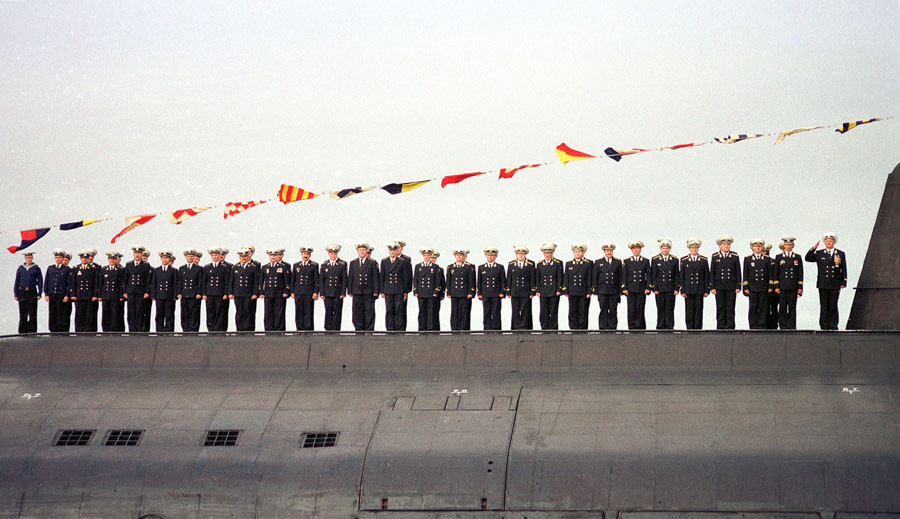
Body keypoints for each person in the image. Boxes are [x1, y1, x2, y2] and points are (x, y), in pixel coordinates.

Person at [805, 232, 847, 330]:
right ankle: (824, 326)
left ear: (834, 242)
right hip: (823, 283)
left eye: (830, 241)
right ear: (824, 242)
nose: (829, 243)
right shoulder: (819, 253)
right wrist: (813, 248)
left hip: (835, 283)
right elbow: (808, 258)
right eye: (827, 241)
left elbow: (844, 268)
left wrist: (843, 282)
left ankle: (833, 326)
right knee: (824, 305)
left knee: (833, 305)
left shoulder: (840, 253)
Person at [710, 235, 741, 329]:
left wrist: (738, 286)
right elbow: (712, 272)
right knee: (720, 307)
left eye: (728, 244)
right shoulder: (715, 257)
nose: (727, 246)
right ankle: (720, 326)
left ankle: (730, 326)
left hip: (731, 286)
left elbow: (738, 272)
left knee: (730, 307)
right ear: (720, 246)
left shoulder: (734, 256)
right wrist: (712, 287)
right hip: (719, 286)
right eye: (724, 244)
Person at [348, 243, 380, 331]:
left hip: (369, 291)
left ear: (366, 251)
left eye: (363, 250)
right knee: (357, 312)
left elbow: (375, 278)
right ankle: (358, 329)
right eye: (360, 250)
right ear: (357, 251)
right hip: (357, 291)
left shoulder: (372, 262)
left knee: (369, 311)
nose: (362, 252)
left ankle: (369, 329)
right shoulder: (353, 263)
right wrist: (350, 290)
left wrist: (376, 291)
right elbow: (350, 277)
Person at [680, 238, 710, 330]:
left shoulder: (703, 260)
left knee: (698, 310)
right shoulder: (684, 260)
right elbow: (682, 276)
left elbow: (706, 276)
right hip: (688, 290)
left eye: (696, 248)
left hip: (699, 289)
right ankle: (689, 328)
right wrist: (682, 290)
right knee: (689, 310)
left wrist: (706, 290)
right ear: (689, 248)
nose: (694, 250)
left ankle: (698, 328)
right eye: (692, 248)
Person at [380, 242, 410, 331]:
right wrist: (382, 291)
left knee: (399, 310)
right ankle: (390, 329)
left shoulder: (402, 261)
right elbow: (382, 276)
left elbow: (405, 277)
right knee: (389, 310)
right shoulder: (384, 261)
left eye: (394, 250)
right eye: (391, 250)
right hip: (388, 289)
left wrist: (405, 292)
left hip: (399, 289)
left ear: (397, 251)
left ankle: (399, 329)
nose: (392, 252)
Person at [774, 237, 803, 329]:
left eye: (790, 245)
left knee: (792, 307)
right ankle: (783, 326)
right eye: (787, 245)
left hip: (793, 286)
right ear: (784, 246)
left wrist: (800, 287)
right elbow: (776, 272)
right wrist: (776, 286)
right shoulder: (779, 257)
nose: (788, 246)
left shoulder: (797, 257)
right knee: (782, 307)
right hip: (782, 286)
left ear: (793, 245)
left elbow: (800, 273)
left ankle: (791, 326)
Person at [650, 239, 679, 330]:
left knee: (670, 308)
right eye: (663, 248)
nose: (665, 250)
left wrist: (676, 288)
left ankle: (670, 326)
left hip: (670, 288)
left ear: (669, 249)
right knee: (660, 308)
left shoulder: (674, 260)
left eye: (667, 248)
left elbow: (676, 275)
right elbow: (653, 275)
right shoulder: (655, 260)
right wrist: (654, 288)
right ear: (660, 249)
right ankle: (660, 325)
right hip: (660, 288)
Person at [230, 246, 261, 331]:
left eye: (245, 256)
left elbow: (256, 281)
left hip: (249, 294)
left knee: (248, 312)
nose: (243, 258)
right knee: (239, 312)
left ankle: (249, 330)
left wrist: (255, 293)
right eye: (241, 256)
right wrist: (231, 293)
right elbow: (232, 281)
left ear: (248, 257)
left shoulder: (253, 267)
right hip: (238, 293)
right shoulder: (235, 267)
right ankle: (239, 329)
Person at [260, 248, 291, 331]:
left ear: (278, 256)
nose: (273, 257)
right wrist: (261, 292)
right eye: (271, 255)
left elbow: (287, 281)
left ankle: (279, 330)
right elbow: (261, 281)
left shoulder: (283, 267)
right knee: (268, 312)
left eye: (274, 255)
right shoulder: (264, 267)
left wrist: (286, 291)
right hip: (268, 293)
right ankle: (268, 329)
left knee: (279, 313)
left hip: (279, 293)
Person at [68, 250, 100, 332]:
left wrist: (95, 295)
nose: (84, 260)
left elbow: (95, 283)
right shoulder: (75, 269)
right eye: (83, 258)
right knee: (79, 313)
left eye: (86, 258)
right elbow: (73, 283)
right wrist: (73, 294)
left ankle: (87, 329)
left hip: (89, 295)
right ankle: (79, 329)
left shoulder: (93, 269)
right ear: (80, 258)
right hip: (79, 295)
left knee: (88, 314)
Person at [743, 238, 771, 329]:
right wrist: (746, 287)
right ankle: (753, 326)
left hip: (763, 287)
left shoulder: (766, 259)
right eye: (756, 246)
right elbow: (745, 274)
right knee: (753, 308)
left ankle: (762, 326)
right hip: (752, 287)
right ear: (752, 248)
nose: (758, 248)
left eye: (760, 246)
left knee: (763, 308)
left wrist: (770, 286)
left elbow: (770, 274)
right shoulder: (748, 259)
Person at [506, 246, 536, 330]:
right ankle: (515, 327)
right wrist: (508, 291)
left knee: (525, 310)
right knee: (515, 310)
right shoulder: (511, 264)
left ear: (525, 255)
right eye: (519, 254)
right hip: (515, 291)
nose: (521, 256)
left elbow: (532, 279)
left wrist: (532, 292)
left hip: (526, 292)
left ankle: (524, 327)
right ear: (516, 255)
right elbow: (509, 278)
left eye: (522, 254)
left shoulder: (530, 264)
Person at [446, 248, 476, 330]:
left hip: (465, 293)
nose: (458, 257)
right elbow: (448, 280)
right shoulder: (451, 267)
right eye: (457, 255)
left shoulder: (469, 267)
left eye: (460, 255)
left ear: (464, 256)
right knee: (454, 312)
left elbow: (471, 280)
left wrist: (471, 292)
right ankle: (454, 329)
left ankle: (464, 329)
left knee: (464, 312)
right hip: (454, 292)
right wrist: (448, 292)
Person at [124, 245, 153, 332]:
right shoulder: (128, 265)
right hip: (131, 292)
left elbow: (148, 280)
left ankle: (139, 329)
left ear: (141, 254)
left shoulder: (145, 265)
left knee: (140, 311)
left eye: (139, 253)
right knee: (131, 312)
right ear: (133, 254)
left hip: (141, 292)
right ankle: (132, 329)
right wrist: (125, 291)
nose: (137, 255)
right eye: (136, 253)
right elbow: (126, 279)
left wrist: (147, 292)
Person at [594, 243, 623, 330]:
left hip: (614, 290)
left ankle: (612, 327)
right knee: (603, 309)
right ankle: (602, 327)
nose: (609, 252)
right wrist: (595, 290)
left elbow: (620, 277)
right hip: (602, 290)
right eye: (607, 250)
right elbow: (595, 277)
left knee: (613, 310)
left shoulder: (617, 262)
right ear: (604, 251)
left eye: (610, 250)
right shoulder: (598, 262)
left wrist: (620, 290)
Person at [564, 243, 592, 330]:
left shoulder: (588, 263)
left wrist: (589, 291)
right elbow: (566, 278)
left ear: (583, 253)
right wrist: (566, 290)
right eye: (575, 251)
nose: (577, 253)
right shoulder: (569, 264)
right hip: (572, 291)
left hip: (583, 292)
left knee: (583, 312)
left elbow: (590, 278)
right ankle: (573, 329)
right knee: (572, 311)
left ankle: (582, 329)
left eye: (579, 251)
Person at [623, 240, 650, 330]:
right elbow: (624, 276)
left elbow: (648, 276)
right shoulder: (627, 261)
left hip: (641, 289)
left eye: (638, 248)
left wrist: (648, 287)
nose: (636, 250)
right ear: (631, 250)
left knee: (640, 308)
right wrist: (625, 288)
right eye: (634, 249)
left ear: (640, 249)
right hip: (630, 289)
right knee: (631, 309)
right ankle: (631, 327)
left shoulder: (645, 261)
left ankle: (640, 327)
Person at [202, 247, 231, 332]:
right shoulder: (207, 267)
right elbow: (204, 281)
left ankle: (219, 329)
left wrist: (226, 293)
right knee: (210, 312)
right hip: (210, 293)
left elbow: (226, 281)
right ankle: (211, 329)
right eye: (213, 255)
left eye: (216, 255)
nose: (215, 257)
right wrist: (204, 293)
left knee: (220, 312)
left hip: (220, 293)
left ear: (219, 256)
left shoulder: (224, 267)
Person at [535, 243, 564, 330]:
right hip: (543, 291)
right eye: (545, 253)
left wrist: (559, 289)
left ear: (552, 253)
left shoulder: (557, 263)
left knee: (553, 311)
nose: (547, 255)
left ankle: (553, 328)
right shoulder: (540, 264)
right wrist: (538, 290)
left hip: (554, 291)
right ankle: (544, 328)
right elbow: (538, 278)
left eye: (549, 253)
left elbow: (560, 277)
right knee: (543, 311)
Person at [413, 247, 442, 331]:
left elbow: (437, 280)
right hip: (421, 292)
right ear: (422, 256)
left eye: (428, 255)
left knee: (431, 311)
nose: (426, 257)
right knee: (422, 311)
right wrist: (415, 290)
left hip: (431, 292)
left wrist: (436, 291)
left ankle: (430, 328)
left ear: (430, 256)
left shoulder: (435, 267)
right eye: (425, 255)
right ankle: (422, 328)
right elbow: (416, 279)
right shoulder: (418, 266)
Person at [320, 244, 347, 330]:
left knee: (337, 311)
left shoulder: (342, 264)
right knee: (328, 310)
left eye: (335, 253)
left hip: (337, 292)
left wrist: (343, 292)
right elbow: (322, 280)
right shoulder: (324, 265)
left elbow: (344, 279)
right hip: (327, 292)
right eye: (331, 253)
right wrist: (322, 293)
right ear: (329, 253)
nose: (333, 255)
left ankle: (336, 328)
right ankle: (328, 328)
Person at [14, 251, 42, 333]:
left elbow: (40, 281)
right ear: (25, 258)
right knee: (23, 313)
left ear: (32, 258)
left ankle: (32, 331)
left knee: (32, 313)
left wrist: (39, 293)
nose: (28, 259)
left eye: (30, 258)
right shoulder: (20, 268)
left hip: (32, 291)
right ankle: (22, 331)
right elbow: (17, 282)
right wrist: (16, 293)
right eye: (27, 258)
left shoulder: (36, 268)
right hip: (22, 291)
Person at [292, 246, 319, 331]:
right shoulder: (296, 265)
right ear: (301, 254)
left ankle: (308, 329)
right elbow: (293, 280)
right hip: (298, 292)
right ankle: (299, 329)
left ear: (310, 255)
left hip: (309, 292)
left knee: (308, 311)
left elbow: (316, 280)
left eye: (307, 254)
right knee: (299, 311)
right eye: (304, 253)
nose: (305, 255)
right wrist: (292, 292)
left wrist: (315, 292)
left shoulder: (314, 265)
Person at [478, 248, 505, 330]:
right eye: (488, 255)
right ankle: (486, 328)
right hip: (485, 293)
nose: (490, 257)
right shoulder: (481, 267)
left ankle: (496, 328)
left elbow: (503, 281)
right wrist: (479, 293)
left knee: (496, 312)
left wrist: (502, 292)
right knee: (486, 311)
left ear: (496, 256)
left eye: (492, 255)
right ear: (486, 256)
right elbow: (479, 281)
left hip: (496, 293)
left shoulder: (500, 267)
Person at [151, 250, 179, 332]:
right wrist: (153, 295)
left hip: (169, 296)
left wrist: (175, 296)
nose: (164, 260)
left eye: (166, 258)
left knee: (169, 314)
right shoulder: (156, 270)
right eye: (163, 258)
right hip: (159, 295)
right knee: (159, 314)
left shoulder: (174, 271)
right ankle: (159, 330)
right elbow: (154, 283)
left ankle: (169, 330)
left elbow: (175, 284)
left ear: (169, 259)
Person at [44, 249, 71, 333]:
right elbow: (47, 281)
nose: (58, 259)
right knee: (52, 312)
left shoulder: (66, 269)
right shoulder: (50, 268)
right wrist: (46, 293)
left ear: (62, 258)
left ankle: (60, 329)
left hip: (61, 294)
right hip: (52, 293)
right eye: (57, 257)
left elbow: (68, 283)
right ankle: (53, 329)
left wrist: (67, 295)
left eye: (60, 257)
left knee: (60, 312)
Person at [99, 251, 126, 332]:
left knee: (115, 314)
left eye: (114, 259)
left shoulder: (120, 270)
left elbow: (122, 284)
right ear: (108, 259)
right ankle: (105, 330)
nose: (112, 261)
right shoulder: (103, 270)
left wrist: (121, 296)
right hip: (105, 295)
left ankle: (114, 330)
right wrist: (99, 295)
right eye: (111, 259)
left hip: (115, 296)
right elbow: (101, 283)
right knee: (105, 314)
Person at [178, 248, 205, 332]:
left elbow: (200, 282)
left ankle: (194, 329)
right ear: (185, 257)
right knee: (184, 313)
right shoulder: (182, 268)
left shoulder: (198, 269)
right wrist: (179, 292)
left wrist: (199, 293)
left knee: (194, 313)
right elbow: (180, 282)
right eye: (188, 256)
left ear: (194, 257)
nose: (190, 258)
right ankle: (185, 329)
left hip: (194, 294)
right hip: (184, 294)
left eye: (191, 256)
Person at [763, 242, 779, 329]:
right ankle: (764, 325)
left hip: (773, 290)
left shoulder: (773, 262)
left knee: (774, 308)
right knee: (764, 308)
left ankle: (774, 325)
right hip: (764, 289)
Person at [60, 251, 74, 331]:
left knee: (66, 313)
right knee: (59, 313)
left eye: (67, 260)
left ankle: (65, 330)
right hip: (60, 294)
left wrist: (68, 295)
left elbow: (70, 284)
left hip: (67, 295)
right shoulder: (57, 270)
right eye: (64, 260)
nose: (65, 261)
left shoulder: (70, 270)